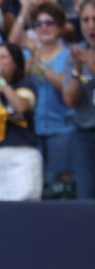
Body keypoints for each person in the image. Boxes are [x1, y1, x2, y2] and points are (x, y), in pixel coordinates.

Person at [0, 43, 42, 200]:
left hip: (21, 154)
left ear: (15, 63)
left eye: (4, 57)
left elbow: (20, 107)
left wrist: (2, 83)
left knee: (22, 208)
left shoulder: (26, 84)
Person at [25, 2, 77, 197]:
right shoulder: (29, 54)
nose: (43, 27)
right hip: (35, 130)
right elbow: (19, 81)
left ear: (61, 27)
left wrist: (39, 60)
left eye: (49, 22)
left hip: (63, 129)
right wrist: (31, 57)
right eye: (38, 24)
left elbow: (64, 85)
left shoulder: (69, 55)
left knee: (63, 187)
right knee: (41, 188)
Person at [63, 0, 95, 199]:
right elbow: (69, 101)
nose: (91, 25)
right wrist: (77, 70)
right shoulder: (75, 54)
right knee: (86, 196)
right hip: (85, 135)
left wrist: (91, 65)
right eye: (86, 20)